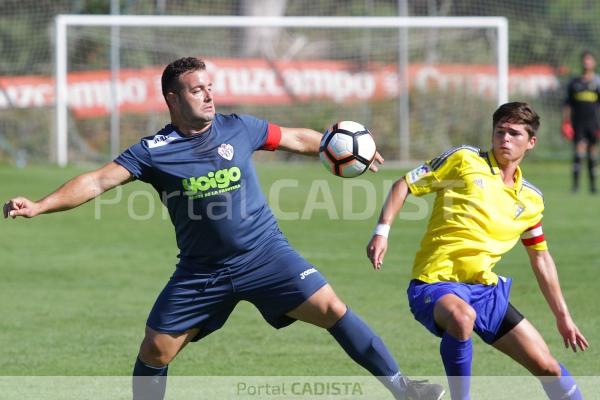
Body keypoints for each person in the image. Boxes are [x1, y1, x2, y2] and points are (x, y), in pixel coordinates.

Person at [3, 57, 444, 400]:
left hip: (266, 256)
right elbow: (97, 180)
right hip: (201, 271)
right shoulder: (154, 151)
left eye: (210, 88)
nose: (209, 97)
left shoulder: (240, 127)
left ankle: (403, 387)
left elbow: (294, 137)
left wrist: (342, 146)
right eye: (197, 91)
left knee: (332, 308)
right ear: (173, 99)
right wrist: (40, 205)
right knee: (155, 350)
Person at [367, 102, 589, 400]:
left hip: (485, 292)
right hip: (434, 284)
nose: (505, 139)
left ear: (531, 142)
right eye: (500, 132)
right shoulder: (464, 160)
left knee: (547, 366)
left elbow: (540, 257)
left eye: (514, 133)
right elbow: (404, 184)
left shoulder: (531, 199)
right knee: (461, 316)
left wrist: (563, 317)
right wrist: (382, 231)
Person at [562, 50, 600, 193]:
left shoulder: (597, 82)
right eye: (584, 60)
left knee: (592, 154)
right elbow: (567, 104)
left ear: (594, 63)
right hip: (578, 124)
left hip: (594, 124)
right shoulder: (575, 83)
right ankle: (576, 186)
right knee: (578, 153)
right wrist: (565, 122)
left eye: (589, 60)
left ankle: (593, 187)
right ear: (582, 62)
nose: (586, 62)